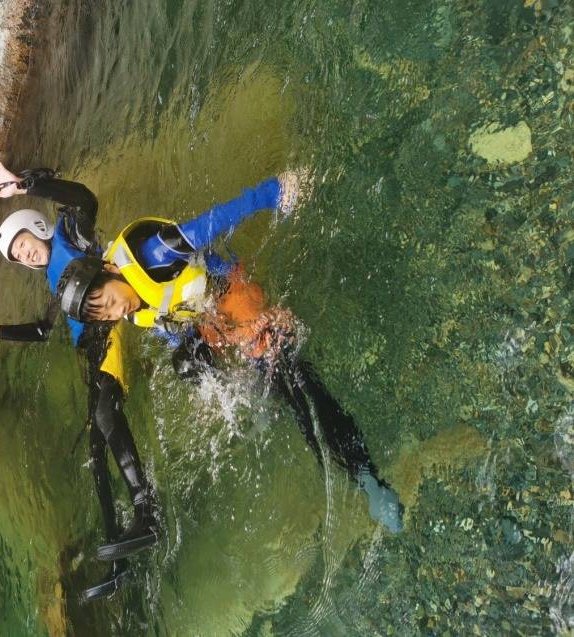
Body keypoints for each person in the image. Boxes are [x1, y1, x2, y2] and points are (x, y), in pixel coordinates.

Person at [56, 174, 404, 533]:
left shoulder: (157, 251)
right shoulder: (128, 306)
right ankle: (254, 396)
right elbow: (171, 328)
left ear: (111, 269)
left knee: (290, 378)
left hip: (229, 294)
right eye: (107, 314)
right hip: (204, 316)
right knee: (186, 363)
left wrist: (276, 192)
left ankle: (366, 477)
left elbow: (216, 220)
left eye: (111, 301)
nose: (117, 311)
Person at [0, 159, 156, 602]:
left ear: (38, 229)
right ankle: (118, 554)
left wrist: (26, 184)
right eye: (17, 257)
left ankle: (147, 510)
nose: (24, 255)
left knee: (107, 414)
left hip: (111, 329)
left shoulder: (73, 233)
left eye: (23, 244)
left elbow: (83, 197)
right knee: (95, 445)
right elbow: (44, 331)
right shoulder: (53, 286)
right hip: (93, 354)